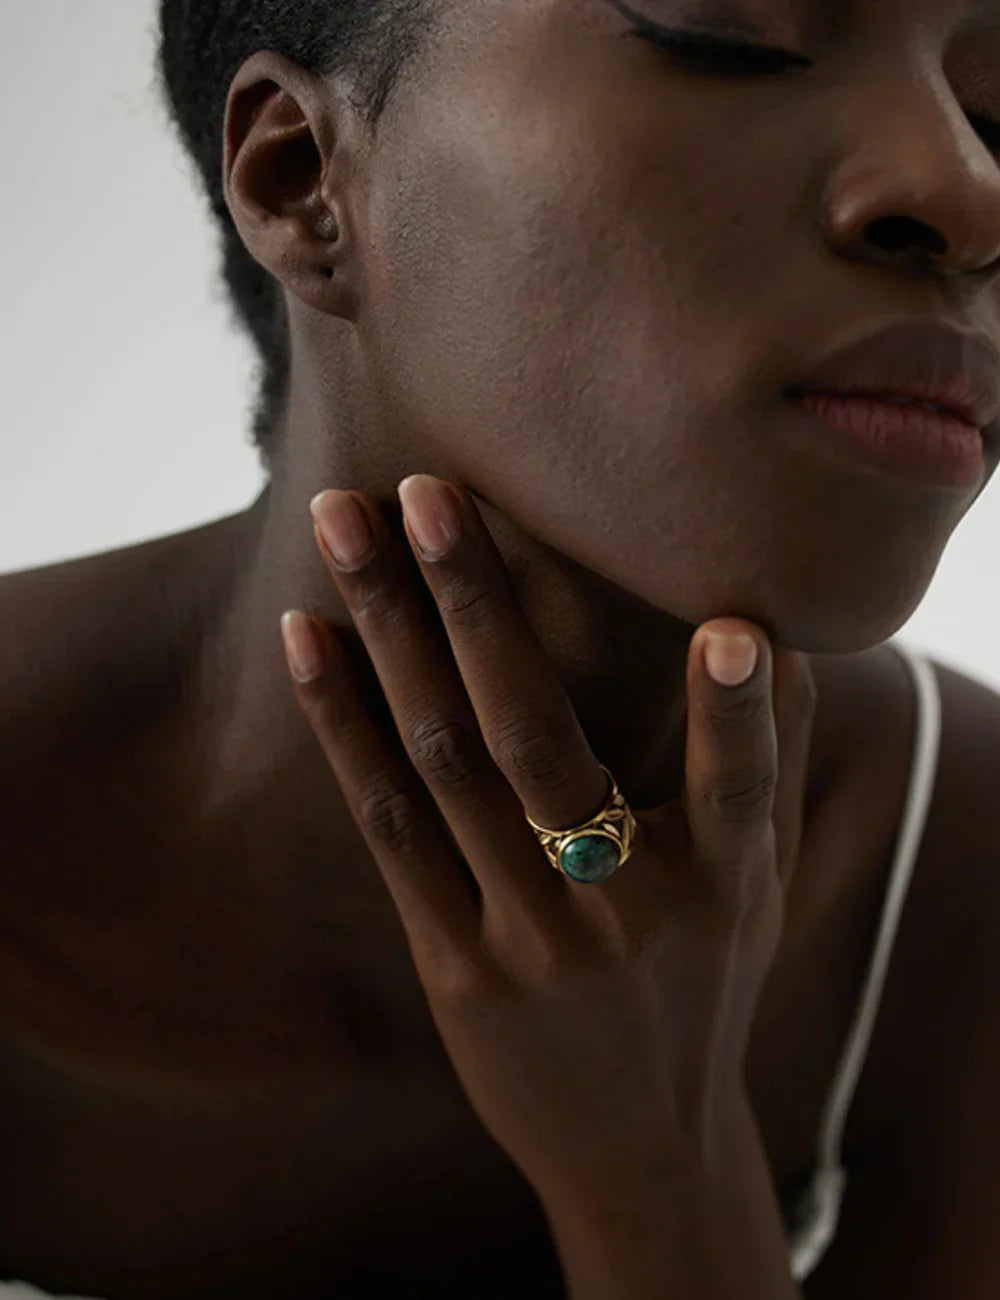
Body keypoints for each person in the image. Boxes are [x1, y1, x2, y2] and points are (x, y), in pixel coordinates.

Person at [2, 0, 1000, 1295]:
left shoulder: (949, 872)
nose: (969, 194)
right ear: (301, 179)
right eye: (731, 34)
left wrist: (660, 1170)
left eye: (997, 113)